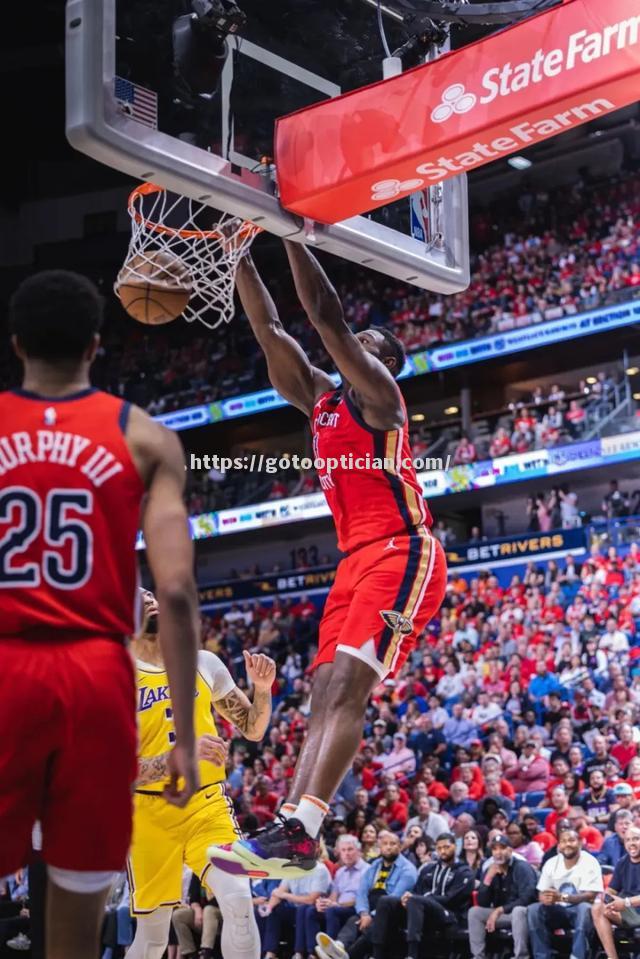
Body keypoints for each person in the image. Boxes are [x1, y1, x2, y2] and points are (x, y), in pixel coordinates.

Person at [216, 242, 448, 877]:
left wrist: (289, 230)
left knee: (347, 689)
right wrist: (238, 251)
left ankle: (305, 826)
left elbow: (325, 315)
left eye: (368, 341)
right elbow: (270, 329)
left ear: (386, 363)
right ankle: (292, 830)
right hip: (354, 562)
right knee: (322, 693)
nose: (354, 344)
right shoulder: (321, 399)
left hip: (402, 551)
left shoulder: (381, 396)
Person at [0, 271, 200, 959]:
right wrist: (179, 730)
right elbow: (173, 591)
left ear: (18, 343)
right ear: (95, 345)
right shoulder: (147, 438)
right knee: (75, 920)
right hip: (95, 671)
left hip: (6, 664)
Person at [127, 589, 274, 959]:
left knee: (240, 900)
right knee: (154, 938)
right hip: (147, 814)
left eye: (149, 592)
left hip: (206, 805)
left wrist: (262, 690)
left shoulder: (203, 661)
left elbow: (252, 729)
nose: (147, 597)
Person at [314, 831, 416, 959]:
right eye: (385, 844)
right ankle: (339, 946)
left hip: (395, 911)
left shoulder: (408, 869)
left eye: (393, 844)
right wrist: (364, 913)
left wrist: (372, 915)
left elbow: (395, 897)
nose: (388, 847)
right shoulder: (375, 865)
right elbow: (362, 892)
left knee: (374, 924)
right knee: (354, 920)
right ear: (380, 847)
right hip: (372, 907)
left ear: (400, 847)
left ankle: (345, 955)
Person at [527, 828, 604, 959]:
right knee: (533, 909)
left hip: (580, 911)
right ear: (559, 845)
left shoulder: (590, 861)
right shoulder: (551, 863)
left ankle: (578, 956)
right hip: (557, 911)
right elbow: (541, 892)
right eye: (563, 841)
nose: (567, 844)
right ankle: (541, 956)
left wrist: (562, 897)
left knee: (584, 908)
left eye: (571, 840)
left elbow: (590, 895)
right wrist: (545, 898)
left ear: (579, 842)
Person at [468, 833, 537, 959]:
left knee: (518, 911)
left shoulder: (522, 867)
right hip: (503, 915)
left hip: (524, 914)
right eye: (494, 849)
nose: (498, 852)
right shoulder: (491, 869)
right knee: (474, 912)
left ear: (510, 850)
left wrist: (500, 910)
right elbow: (482, 902)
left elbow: (527, 898)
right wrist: (488, 879)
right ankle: (478, 956)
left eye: (502, 848)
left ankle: (521, 956)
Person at [591, 826, 640, 959]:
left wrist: (626, 902)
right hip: (627, 912)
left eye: (636, 839)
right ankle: (612, 957)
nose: (632, 843)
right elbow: (612, 889)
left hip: (633, 907)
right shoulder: (622, 862)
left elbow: (625, 902)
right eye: (628, 840)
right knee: (597, 908)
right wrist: (606, 898)